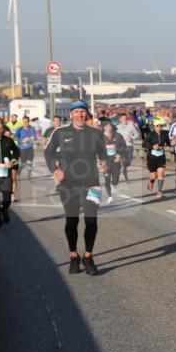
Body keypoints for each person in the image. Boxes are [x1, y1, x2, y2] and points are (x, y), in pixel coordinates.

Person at [43, 100, 108, 276]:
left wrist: (104, 163)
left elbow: (103, 154)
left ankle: (88, 256)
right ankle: (73, 256)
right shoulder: (60, 132)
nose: (80, 115)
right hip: (68, 184)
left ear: (86, 114)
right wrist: (55, 170)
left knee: (91, 220)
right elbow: (48, 152)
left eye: (83, 112)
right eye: (77, 112)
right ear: (71, 114)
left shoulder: (96, 133)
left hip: (91, 182)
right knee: (72, 221)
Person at [0, 120, 20, 228]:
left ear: (3, 129)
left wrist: (13, 161)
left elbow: (17, 152)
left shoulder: (8, 140)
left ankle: (4, 211)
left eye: (0, 129)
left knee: (7, 200)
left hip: (5, 176)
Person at [144, 120, 171, 198]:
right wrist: (152, 147)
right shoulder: (150, 135)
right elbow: (144, 145)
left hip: (161, 157)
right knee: (153, 176)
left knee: (161, 173)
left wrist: (168, 147)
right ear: (154, 127)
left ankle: (159, 191)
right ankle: (151, 182)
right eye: (157, 126)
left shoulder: (165, 134)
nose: (159, 127)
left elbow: (168, 143)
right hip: (151, 158)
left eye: (160, 126)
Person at [101, 123, 126, 204]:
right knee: (107, 178)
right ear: (104, 127)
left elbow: (124, 146)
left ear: (112, 127)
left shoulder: (118, 136)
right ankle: (110, 196)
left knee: (115, 179)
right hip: (105, 160)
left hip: (116, 159)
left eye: (110, 126)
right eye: (107, 126)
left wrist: (120, 155)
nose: (108, 128)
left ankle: (114, 183)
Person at [14, 116, 38, 194]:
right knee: (23, 163)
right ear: (22, 121)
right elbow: (14, 137)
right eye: (24, 121)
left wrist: (30, 139)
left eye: (26, 121)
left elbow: (35, 137)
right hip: (22, 149)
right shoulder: (20, 129)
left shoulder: (32, 128)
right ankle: (19, 172)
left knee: (29, 163)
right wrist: (21, 141)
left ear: (29, 121)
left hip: (30, 148)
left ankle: (29, 177)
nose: (25, 123)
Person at [115, 113, 141, 182]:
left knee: (128, 162)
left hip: (129, 146)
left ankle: (120, 168)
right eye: (123, 119)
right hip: (121, 147)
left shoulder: (131, 126)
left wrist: (132, 138)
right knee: (123, 162)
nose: (124, 120)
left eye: (125, 118)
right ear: (120, 119)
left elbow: (136, 134)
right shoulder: (117, 127)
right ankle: (126, 177)